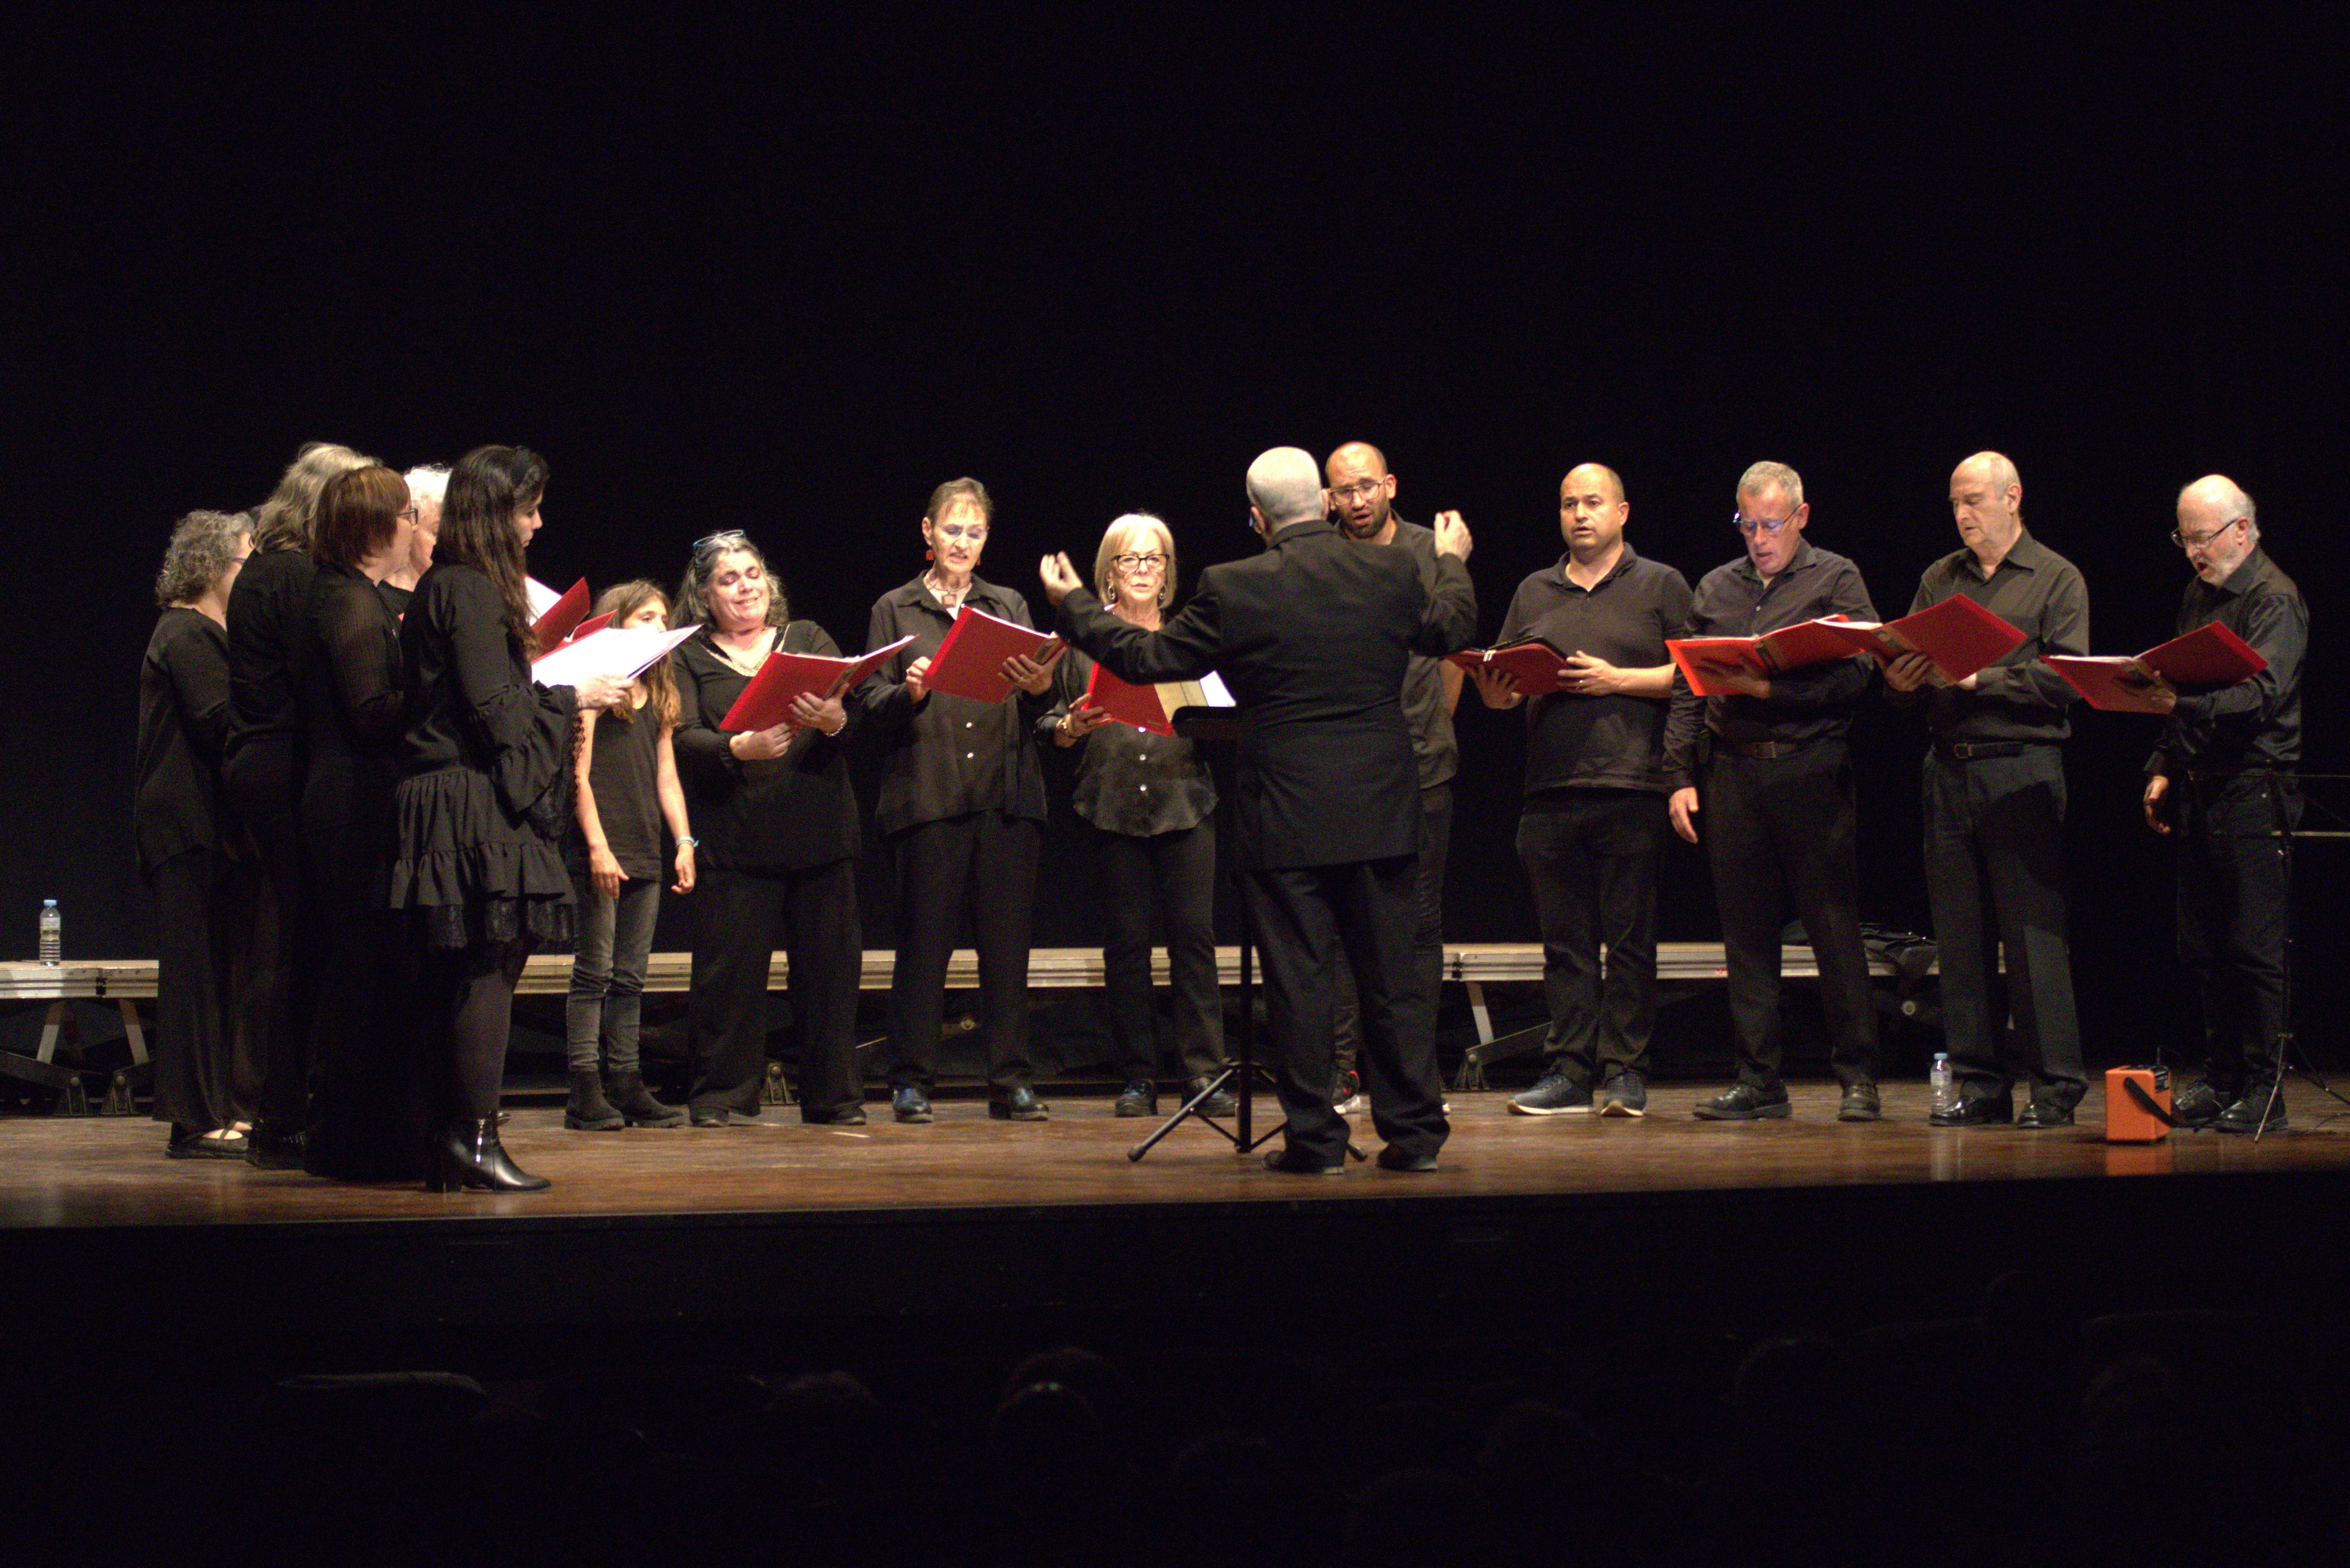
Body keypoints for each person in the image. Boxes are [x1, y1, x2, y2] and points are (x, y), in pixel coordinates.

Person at [1040, 446, 1477, 1173]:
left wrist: (1073, 606)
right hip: (1379, 808)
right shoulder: (1394, 568)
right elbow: (1450, 629)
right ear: (1325, 502)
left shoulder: (1234, 586)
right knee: (1391, 979)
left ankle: (1315, 1142)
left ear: (1255, 516)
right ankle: (1415, 1135)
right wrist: (1454, 558)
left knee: (1300, 982)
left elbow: (1147, 661)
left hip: (1286, 815)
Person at [386, 445, 628, 1191]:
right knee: (484, 970)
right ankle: (471, 1138)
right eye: (527, 510)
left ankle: (455, 1139)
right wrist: (573, 695)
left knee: (468, 972)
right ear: (496, 514)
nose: (537, 524)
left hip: (457, 794)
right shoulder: (466, 592)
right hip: (468, 800)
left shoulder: (452, 587)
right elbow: (494, 711)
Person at [1470, 463, 1699, 1119]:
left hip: (1630, 784)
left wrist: (1616, 681)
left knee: (1629, 942)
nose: (1579, 514)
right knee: (1564, 944)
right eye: (1568, 503)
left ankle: (1624, 1070)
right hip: (1548, 789)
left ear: (1621, 512)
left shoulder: (1659, 584)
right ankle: (1568, 1070)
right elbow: (1508, 681)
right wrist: (1494, 693)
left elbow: (1691, 674)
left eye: (1591, 503)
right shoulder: (1534, 589)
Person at [1668, 462, 1885, 1121]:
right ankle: (1758, 1080)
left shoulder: (1834, 577)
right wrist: (1677, 776)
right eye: (1746, 525)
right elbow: (1686, 683)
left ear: (1800, 517)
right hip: (1732, 769)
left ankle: (1857, 1078)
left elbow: (1859, 678)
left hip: (1809, 768)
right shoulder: (1715, 586)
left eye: (1769, 525)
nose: (1757, 538)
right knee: (1745, 933)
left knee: (1829, 925)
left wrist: (1772, 689)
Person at [1884, 451, 2088, 1126]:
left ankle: (2053, 1088)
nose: (1962, 514)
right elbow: (1902, 656)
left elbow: (2063, 680)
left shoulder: (2055, 576)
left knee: (2031, 937)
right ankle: (1978, 1083)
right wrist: (1900, 677)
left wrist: (1976, 680)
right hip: (1946, 768)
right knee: (1959, 937)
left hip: (2020, 769)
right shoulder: (1939, 578)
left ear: (2011, 497)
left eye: (1973, 500)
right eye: (1953, 503)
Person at [857, 479, 1062, 1124]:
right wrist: (908, 694)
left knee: (1006, 948)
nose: (962, 543)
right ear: (927, 532)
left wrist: (1037, 685)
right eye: (952, 530)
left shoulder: (1006, 603)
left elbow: (1038, 701)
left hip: (1003, 793)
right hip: (930, 793)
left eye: (974, 533)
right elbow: (869, 702)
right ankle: (912, 1079)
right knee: (924, 947)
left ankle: (1010, 1081)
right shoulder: (894, 607)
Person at [670, 537, 866, 1127]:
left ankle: (833, 1098)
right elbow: (681, 738)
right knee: (728, 981)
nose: (746, 586)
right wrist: (738, 746)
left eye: (753, 574)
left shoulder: (806, 639)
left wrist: (834, 722)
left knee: (829, 977)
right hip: (739, 840)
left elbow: (850, 717)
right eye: (728, 579)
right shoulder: (689, 657)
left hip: (819, 835)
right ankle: (722, 1097)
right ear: (706, 595)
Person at [1041, 513, 1230, 1118]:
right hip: (1111, 807)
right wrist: (1071, 726)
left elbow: (1223, 719)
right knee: (1126, 948)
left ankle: (1204, 1075)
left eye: (1155, 560)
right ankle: (1139, 1079)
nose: (1144, 571)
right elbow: (1048, 725)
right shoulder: (1079, 647)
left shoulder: (1190, 643)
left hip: (1185, 805)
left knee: (1194, 945)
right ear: (1109, 574)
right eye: (1131, 560)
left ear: (1168, 574)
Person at [224, 440, 375, 1166]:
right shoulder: (297, 576)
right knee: (302, 943)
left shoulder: (267, 569)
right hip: (286, 763)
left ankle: (283, 1110)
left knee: (295, 939)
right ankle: (283, 1113)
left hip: (264, 759)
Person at [2140, 476, 2306, 1133]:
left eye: (2200, 538)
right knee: (2202, 946)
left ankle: (2266, 1090)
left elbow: (2259, 695)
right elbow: (2182, 682)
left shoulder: (2274, 599)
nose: (2191, 552)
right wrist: (2163, 763)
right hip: (2200, 786)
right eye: (2182, 538)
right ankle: (2220, 1078)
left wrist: (2176, 708)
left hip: (2254, 787)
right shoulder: (2196, 595)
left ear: (2241, 529)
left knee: (2252, 948)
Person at [1324, 442, 1464, 1114]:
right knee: (1347, 923)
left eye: (1365, 487)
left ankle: (1409, 1068)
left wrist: (1432, 725)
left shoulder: (1430, 549)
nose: (1355, 501)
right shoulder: (1322, 555)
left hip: (1421, 764)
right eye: (1342, 491)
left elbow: (1455, 650)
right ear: (1326, 497)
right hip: (1348, 770)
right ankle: (1345, 1066)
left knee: (1417, 925)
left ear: (1389, 485)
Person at [297, 466, 421, 1179]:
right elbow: (372, 712)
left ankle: (359, 1136)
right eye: (405, 516)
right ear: (375, 526)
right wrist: (437, 686)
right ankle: (352, 1143)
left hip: (352, 796)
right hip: (351, 805)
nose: (412, 528)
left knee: (365, 970)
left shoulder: (354, 596)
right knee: (359, 970)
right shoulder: (347, 601)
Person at [135, 509, 254, 1157]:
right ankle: (195, 1119)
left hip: (208, 827)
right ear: (212, 565)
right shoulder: (186, 632)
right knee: (194, 976)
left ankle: (217, 1110)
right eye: (246, 560)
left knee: (218, 971)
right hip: (186, 825)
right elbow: (219, 723)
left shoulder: (207, 634)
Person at [563, 580, 696, 1131]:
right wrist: (596, 845)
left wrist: (684, 841)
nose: (659, 627)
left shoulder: (659, 689)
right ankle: (584, 1089)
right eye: (646, 617)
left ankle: (626, 1079)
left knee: (631, 977)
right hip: (602, 845)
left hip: (643, 846)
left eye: (664, 617)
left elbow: (667, 777)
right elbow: (577, 774)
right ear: (616, 622)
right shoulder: (597, 689)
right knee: (594, 972)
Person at [378, 463, 448, 615]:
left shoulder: (451, 596)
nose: (447, 544)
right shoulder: (379, 600)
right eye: (437, 533)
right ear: (409, 528)